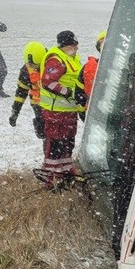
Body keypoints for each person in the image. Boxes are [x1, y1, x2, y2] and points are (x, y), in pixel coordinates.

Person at [39, 30, 86, 189]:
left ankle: (65, 170)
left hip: (68, 110)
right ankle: (51, 176)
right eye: (73, 45)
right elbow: (47, 82)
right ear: (65, 45)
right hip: (55, 111)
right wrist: (69, 92)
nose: (76, 47)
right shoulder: (56, 60)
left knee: (67, 141)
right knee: (56, 143)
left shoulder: (72, 58)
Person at [9, 41, 47, 141]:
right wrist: (15, 112)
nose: (33, 68)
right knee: (43, 132)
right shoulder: (25, 70)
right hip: (37, 103)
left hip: (55, 104)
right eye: (31, 65)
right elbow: (21, 92)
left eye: (36, 66)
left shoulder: (53, 63)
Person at [81, 30, 106, 104]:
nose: (104, 46)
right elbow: (79, 89)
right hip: (94, 108)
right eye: (102, 43)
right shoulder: (89, 66)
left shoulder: (125, 66)